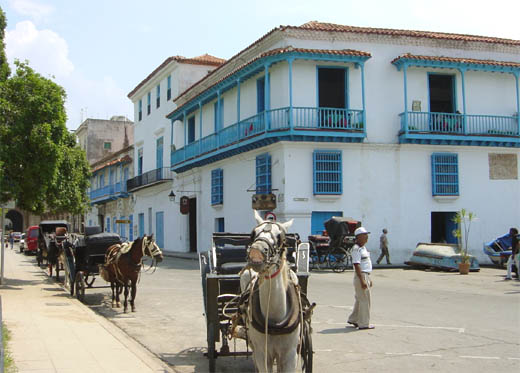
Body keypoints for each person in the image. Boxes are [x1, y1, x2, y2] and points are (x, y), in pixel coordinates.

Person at [347, 227, 374, 330]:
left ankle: (353, 319)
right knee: (365, 300)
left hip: (365, 274)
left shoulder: (363, 248)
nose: (367, 237)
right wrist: (362, 280)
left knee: (360, 299)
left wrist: (368, 278)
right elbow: (357, 265)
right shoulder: (356, 249)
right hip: (361, 275)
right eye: (365, 235)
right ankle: (363, 323)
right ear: (359, 237)